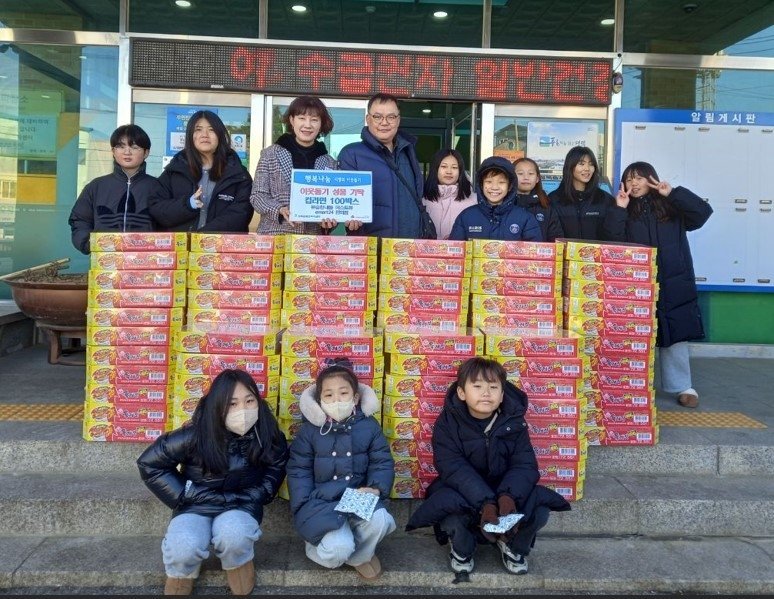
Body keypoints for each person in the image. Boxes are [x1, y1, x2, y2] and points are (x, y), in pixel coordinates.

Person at [406, 357, 570, 576]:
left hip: (504, 490)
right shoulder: (447, 424)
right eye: (477, 386)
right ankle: (462, 550)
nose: (486, 393)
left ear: (502, 395)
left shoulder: (515, 422)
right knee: (448, 507)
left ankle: (513, 546)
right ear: (461, 393)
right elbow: (452, 467)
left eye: (493, 387)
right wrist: (486, 503)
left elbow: (524, 465)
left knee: (539, 509)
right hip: (464, 491)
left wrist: (507, 497)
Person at [137, 369, 289, 596]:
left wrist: (258, 493)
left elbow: (277, 465)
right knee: (183, 546)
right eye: (232, 404)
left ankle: (239, 567)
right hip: (195, 504)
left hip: (241, 504)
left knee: (234, 535)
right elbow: (150, 464)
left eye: (249, 401)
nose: (243, 410)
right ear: (218, 406)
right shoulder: (195, 434)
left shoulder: (266, 433)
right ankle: (181, 576)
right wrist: (185, 493)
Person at [607, 162, 713, 408]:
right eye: (629, 179)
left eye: (639, 178)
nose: (634, 183)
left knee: (675, 332)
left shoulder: (671, 206)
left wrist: (673, 193)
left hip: (674, 280)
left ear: (651, 179)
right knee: (634, 335)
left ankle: (682, 386)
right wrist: (619, 209)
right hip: (638, 283)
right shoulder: (625, 209)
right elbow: (612, 240)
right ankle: (632, 386)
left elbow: (702, 213)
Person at [286, 359, 395, 581]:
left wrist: (375, 488)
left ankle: (359, 557)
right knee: (336, 550)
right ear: (320, 400)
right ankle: (317, 547)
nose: (336, 400)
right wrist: (304, 507)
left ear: (355, 398)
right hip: (320, 503)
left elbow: (381, 461)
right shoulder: (310, 431)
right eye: (328, 395)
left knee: (382, 520)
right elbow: (299, 471)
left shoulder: (369, 426)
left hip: (356, 497)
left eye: (343, 393)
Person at [251, 96, 357, 234]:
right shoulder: (270, 154)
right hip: (275, 237)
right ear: (292, 120)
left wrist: (329, 222)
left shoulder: (330, 163)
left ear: (321, 124)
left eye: (314, 120)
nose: (308, 125)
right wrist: (279, 210)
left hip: (312, 241)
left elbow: (332, 206)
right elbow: (258, 196)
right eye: (302, 118)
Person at [150, 110, 253, 233]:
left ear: (220, 135)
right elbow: (157, 208)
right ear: (190, 135)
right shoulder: (175, 171)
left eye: (211, 130)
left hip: (220, 244)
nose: (205, 135)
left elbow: (241, 214)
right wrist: (188, 204)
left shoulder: (238, 174)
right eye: (198, 129)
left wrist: (203, 237)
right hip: (182, 244)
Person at [337, 93, 424, 238]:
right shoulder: (352, 154)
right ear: (368, 119)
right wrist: (347, 215)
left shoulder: (408, 152)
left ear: (398, 120)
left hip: (408, 245)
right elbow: (342, 202)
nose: (384, 122)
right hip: (370, 246)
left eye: (391, 117)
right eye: (377, 117)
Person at [68, 124, 161, 254]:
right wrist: (88, 243)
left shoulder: (158, 187)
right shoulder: (97, 186)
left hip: (145, 260)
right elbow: (80, 220)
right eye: (121, 147)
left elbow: (169, 222)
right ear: (113, 151)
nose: (127, 152)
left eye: (134, 147)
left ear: (146, 152)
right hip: (105, 260)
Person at [448, 156, 543, 241]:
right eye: (489, 182)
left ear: (510, 186)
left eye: (501, 182)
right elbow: (455, 251)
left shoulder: (525, 218)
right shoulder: (466, 216)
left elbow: (534, 252)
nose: (494, 187)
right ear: (481, 185)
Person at [548, 145, 617, 240]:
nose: (587, 168)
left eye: (591, 164)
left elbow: (612, 236)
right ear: (570, 166)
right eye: (581, 164)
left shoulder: (605, 199)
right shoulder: (554, 199)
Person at [422, 149, 477, 240]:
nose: (449, 171)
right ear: (435, 169)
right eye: (444, 166)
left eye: (454, 167)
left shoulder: (474, 201)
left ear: (460, 171)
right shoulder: (423, 200)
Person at [512, 157, 564, 242]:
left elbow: (556, 238)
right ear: (512, 177)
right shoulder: (503, 204)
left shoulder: (546, 206)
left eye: (531, 173)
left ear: (537, 178)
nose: (526, 177)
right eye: (520, 173)